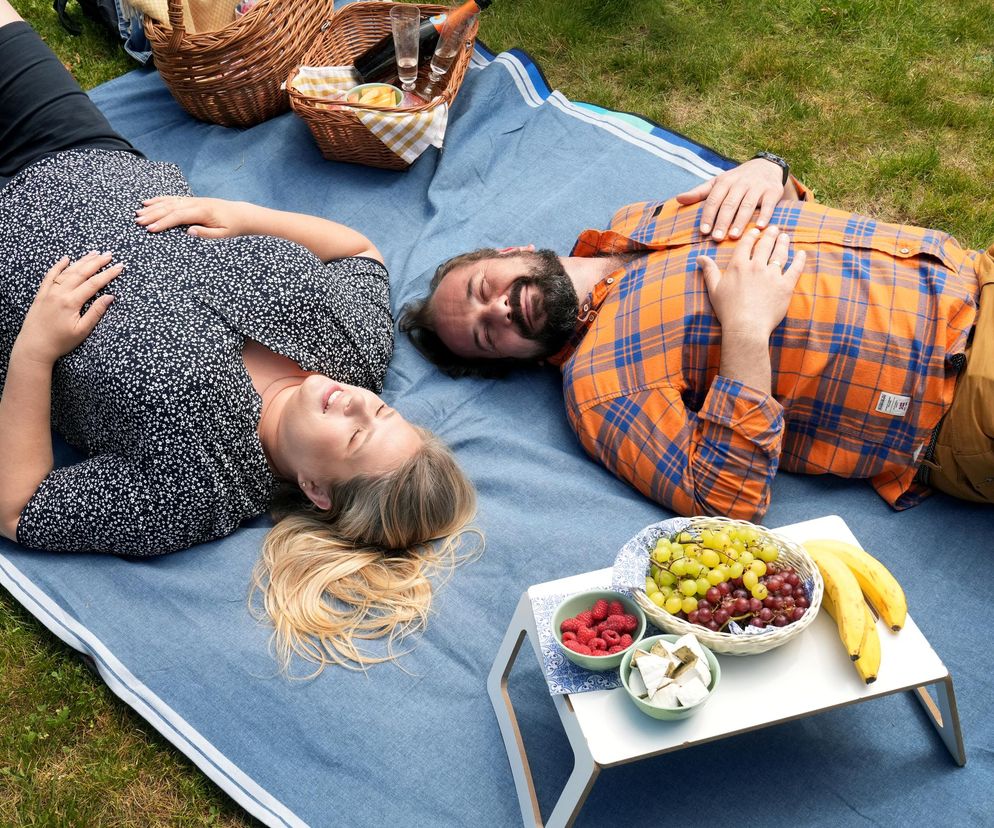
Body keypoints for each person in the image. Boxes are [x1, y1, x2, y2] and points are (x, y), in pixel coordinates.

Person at [0, 7, 478, 673]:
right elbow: (360, 254)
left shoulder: (196, 493)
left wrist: (35, 349)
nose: (360, 403)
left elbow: (22, 509)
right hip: (82, 150)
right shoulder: (355, 350)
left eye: (359, 435)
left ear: (316, 489)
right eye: (384, 411)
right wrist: (245, 214)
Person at [400, 152, 994, 519]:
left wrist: (770, 170)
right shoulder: (599, 389)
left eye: (484, 289)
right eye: (485, 336)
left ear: (513, 251)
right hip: (963, 390)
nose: (500, 309)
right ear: (512, 360)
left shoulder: (639, 221)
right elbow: (724, 500)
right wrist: (745, 333)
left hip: (974, 270)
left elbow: (783, 212)